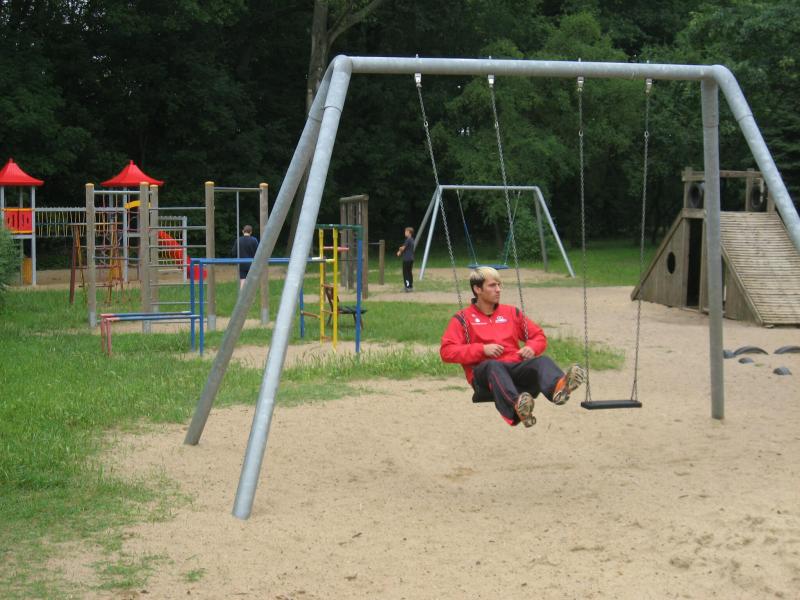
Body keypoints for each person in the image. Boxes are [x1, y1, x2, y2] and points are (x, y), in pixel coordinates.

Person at [440, 266, 586, 428]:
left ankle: (559, 388)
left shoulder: (511, 313)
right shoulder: (463, 319)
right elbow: (447, 351)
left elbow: (538, 336)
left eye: (499, 285)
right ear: (477, 289)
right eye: (492, 285)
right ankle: (518, 406)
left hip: (514, 367)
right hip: (484, 375)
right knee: (493, 365)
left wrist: (532, 347)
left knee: (542, 361)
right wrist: (482, 349)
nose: (498, 289)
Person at [232, 225, 259, 289]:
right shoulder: (254, 240)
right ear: (251, 232)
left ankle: (242, 295)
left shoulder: (238, 240)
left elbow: (233, 252)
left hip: (242, 264)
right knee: (251, 282)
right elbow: (258, 253)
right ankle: (251, 295)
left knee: (243, 281)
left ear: (243, 231)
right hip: (252, 264)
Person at [396, 226, 415, 292]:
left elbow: (403, 248)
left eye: (406, 231)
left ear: (409, 232)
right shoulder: (412, 239)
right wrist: (400, 251)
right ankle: (410, 286)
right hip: (411, 259)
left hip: (406, 259)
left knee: (406, 273)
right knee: (409, 272)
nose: (405, 232)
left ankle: (407, 287)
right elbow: (406, 248)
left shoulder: (408, 239)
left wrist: (399, 249)